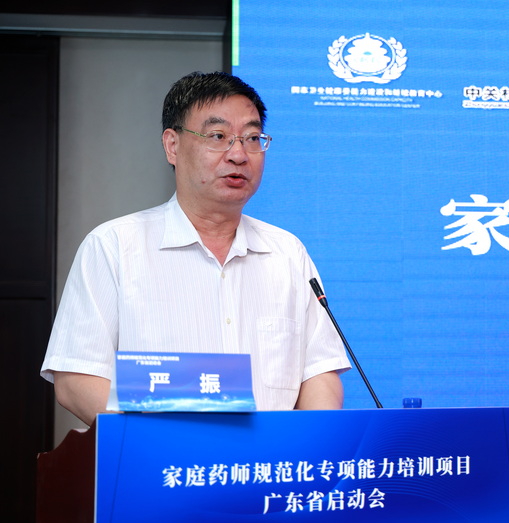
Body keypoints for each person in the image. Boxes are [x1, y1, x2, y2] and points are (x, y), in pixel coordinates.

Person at [41, 71, 350, 425]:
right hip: (161, 458)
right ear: (172, 146)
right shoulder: (114, 247)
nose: (239, 154)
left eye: (252, 138)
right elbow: (76, 379)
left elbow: (319, 374)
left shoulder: (288, 253)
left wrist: (307, 446)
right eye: (218, 136)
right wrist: (170, 446)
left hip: (270, 459)